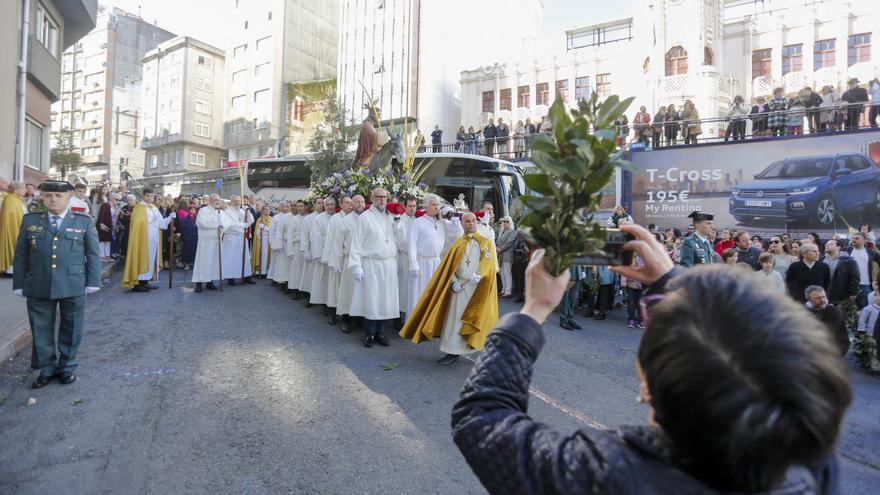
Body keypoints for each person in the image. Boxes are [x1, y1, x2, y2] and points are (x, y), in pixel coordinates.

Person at [452, 224, 851, 494]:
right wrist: (672, 281)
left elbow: (482, 419)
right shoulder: (810, 456)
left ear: (646, 383)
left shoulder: (611, 473)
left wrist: (534, 308)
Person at [13, 181, 101, 388]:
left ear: (68, 197)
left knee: (72, 327)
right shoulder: (30, 220)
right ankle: (46, 368)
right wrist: (19, 282)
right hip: (38, 282)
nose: (53, 199)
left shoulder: (83, 221)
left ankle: (67, 366)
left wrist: (93, 280)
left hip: (73, 283)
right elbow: (20, 255)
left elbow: (93, 254)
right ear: (42, 197)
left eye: (58, 196)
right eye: (48, 195)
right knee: (41, 328)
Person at [400, 211, 498, 365]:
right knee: (455, 321)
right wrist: (453, 282)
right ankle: (452, 351)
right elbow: (448, 268)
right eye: (467, 221)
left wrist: (480, 275)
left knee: (475, 320)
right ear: (462, 223)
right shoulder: (458, 243)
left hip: (476, 289)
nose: (471, 223)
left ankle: (474, 348)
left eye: (473, 221)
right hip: (460, 288)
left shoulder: (486, 243)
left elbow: (491, 266)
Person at [348, 188, 405, 348]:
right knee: (372, 299)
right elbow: (356, 242)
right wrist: (356, 265)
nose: (382, 200)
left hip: (389, 264)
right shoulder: (365, 217)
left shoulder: (391, 216)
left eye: (384, 197)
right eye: (378, 197)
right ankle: (369, 334)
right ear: (372, 198)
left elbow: (401, 240)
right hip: (371, 263)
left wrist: (399, 222)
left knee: (385, 299)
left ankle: (381, 332)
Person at [407, 194, 460, 315]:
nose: (436, 207)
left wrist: (452, 214)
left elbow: (456, 230)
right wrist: (413, 264)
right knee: (420, 293)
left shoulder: (441, 222)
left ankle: (430, 325)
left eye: (438, 205)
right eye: (433, 205)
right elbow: (412, 244)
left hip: (436, 262)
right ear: (426, 206)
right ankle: (416, 324)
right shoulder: (418, 222)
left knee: (434, 293)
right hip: (421, 262)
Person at [121, 188, 175, 292]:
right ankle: (138, 284)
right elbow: (139, 223)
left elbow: (161, 224)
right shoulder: (139, 208)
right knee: (141, 258)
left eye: (151, 196)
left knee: (150, 260)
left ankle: (145, 282)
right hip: (142, 238)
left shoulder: (154, 207)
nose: (150, 198)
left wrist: (170, 218)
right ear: (143, 196)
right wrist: (153, 219)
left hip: (153, 238)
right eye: (147, 196)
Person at [334, 195, 365, 333]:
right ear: (351, 204)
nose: (360, 203)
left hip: (364, 261)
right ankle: (347, 320)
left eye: (362, 201)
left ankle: (361, 318)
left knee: (362, 292)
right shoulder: (345, 220)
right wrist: (336, 262)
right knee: (348, 292)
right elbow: (338, 242)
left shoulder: (368, 219)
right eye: (357, 201)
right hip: (349, 261)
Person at [324, 196, 352, 325]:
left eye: (351, 203)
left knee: (346, 289)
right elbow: (330, 240)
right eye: (346, 203)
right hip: (336, 258)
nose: (349, 205)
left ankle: (347, 316)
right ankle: (333, 314)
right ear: (340, 204)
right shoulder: (335, 219)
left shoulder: (354, 218)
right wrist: (332, 260)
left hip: (348, 259)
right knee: (334, 288)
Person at [306, 197, 335, 312]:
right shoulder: (319, 218)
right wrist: (318, 255)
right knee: (323, 281)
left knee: (333, 282)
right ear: (324, 206)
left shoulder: (338, 217)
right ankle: (324, 304)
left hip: (335, 254)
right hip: (323, 254)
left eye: (332, 204)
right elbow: (315, 237)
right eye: (327, 205)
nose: (330, 207)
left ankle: (332, 303)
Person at [191, 194, 224, 293]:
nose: (217, 202)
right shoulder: (203, 210)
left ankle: (210, 281)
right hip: (205, 241)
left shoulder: (221, 212)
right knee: (202, 262)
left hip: (216, 240)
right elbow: (201, 223)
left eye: (218, 200)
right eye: (215, 200)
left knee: (213, 263)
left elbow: (225, 224)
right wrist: (216, 223)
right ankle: (199, 283)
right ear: (209, 201)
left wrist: (222, 226)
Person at [220, 195, 255, 286]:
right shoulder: (227, 212)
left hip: (241, 238)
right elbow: (229, 225)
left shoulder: (243, 211)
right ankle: (230, 277)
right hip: (231, 238)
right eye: (235, 201)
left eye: (239, 201)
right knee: (231, 258)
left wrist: (248, 211)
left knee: (244, 258)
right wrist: (242, 225)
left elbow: (251, 221)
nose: (237, 203)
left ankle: (246, 276)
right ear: (231, 202)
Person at [804, 286, 850, 356]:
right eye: (817, 298)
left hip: (833, 347)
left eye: (823, 297)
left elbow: (828, 331)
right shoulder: (802, 311)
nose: (822, 300)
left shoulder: (834, 311)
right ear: (808, 299)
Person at [395, 198, 418, 324]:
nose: (412, 209)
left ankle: (411, 316)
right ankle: (398, 317)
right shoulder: (399, 219)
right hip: (403, 257)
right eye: (409, 206)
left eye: (414, 206)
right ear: (405, 206)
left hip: (415, 259)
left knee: (412, 289)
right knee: (402, 288)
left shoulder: (418, 220)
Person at [845, 232, 880, 309]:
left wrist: (877, 280)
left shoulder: (871, 252)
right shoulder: (847, 251)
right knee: (848, 309)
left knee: (864, 309)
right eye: (853, 238)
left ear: (865, 240)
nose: (854, 240)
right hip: (848, 285)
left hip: (865, 285)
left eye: (857, 238)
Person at [0, 182, 28, 276]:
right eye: (23, 188)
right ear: (16, 190)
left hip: (20, 226)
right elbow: (10, 217)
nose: (25, 190)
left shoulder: (17, 199)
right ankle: (10, 269)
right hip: (13, 228)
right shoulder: (10, 200)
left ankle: (15, 268)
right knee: (12, 245)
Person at [298, 198, 323, 300]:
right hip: (312, 249)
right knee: (311, 275)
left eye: (322, 203)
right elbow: (304, 236)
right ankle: (310, 296)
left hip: (323, 250)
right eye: (318, 203)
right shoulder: (308, 219)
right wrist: (305, 250)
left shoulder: (329, 216)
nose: (321, 205)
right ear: (314, 205)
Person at [823, 239, 860, 307]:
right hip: (823, 295)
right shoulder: (821, 259)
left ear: (839, 247)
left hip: (841, 295)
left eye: (831, 244)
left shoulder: (849, 261)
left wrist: (853, 293)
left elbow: (855, 277)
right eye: (826, 244)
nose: (827, 245)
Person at [286, 200, 307, 298]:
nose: (299, 208)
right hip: (297, 246)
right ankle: (296, 290)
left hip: (307, 246)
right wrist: (289, 251)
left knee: (306, 269)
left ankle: (305, 290)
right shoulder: (293, 220)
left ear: (305, 207)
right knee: (297, 269)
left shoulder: (309, 218)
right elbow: (289, 236)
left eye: (301, 206)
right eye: (298, 206)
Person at [268, 202, 292, 287]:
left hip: (286, 242)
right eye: (283, 206)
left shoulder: (291, 216)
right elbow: (272, 231)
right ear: (280, 208)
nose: (285, 208)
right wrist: (272, 242)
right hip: (277, 241)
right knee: (275, 261)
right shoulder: (276, 217)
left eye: (287, 206)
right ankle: (274, 278)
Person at [496, 216, 516, 297]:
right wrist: (497, 247)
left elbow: (509, 243)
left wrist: (500, 249)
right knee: (502, 273)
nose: (505, 223)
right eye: (504, 221)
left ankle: (508, 292)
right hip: (500, 255)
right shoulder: (502, 231)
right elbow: (498, 241)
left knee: (507, 273)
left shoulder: (512, 231)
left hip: (507, 255)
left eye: (507, 221)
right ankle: (503, 290)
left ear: (510, 222)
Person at [96, 192, 119, 261]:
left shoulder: (114, 207)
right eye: (116, 199)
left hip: (110, 226)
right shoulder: (106, 205)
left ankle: (107, 256)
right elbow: (101, 215)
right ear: (112, 199)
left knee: (108, 241)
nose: (118, 201)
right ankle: (102, 256)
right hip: (104, 225)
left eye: (119, 200)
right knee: (103, 241)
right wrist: (101, 224)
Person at [251, 205, 272, 278]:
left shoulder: (272, 219)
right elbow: (257, 232)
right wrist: (259, 231)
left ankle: (266, 271)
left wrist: (265, 227)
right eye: (265, 209)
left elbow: (272, 230)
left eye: (268, 209)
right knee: (262, 255)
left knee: (268, 255)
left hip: (269, 240)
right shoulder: (260, 219)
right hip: (262, 240)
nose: (267, 211)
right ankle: (260, 271)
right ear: (262, 211)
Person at [178, 203, 198, 271]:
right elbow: (182, 228)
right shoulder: (185, 218)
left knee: (194, 251)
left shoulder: (197, 218)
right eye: (191, 209)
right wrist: (185, 236)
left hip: (195, 238)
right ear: (189, 210)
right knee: (187, 251)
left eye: (194, 209)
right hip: (187, 237)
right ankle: (187, 263)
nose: (193, 211)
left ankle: (193, 262)